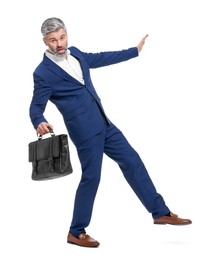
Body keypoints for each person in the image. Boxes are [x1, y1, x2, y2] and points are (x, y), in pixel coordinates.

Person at [29, 17, 192, 248]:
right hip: (85, 132)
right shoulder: (43, 73)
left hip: (105, 124)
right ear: (45, 41)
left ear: (67, 34)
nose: (60, 43)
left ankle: (159, 212)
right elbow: (36, 105)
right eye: (53, 40)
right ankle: (76, 231)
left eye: (62, 37)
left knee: (132, 161)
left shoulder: (75, 53)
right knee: (92, 178)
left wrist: (133, 51)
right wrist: (39, 120)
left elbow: (101, 58)